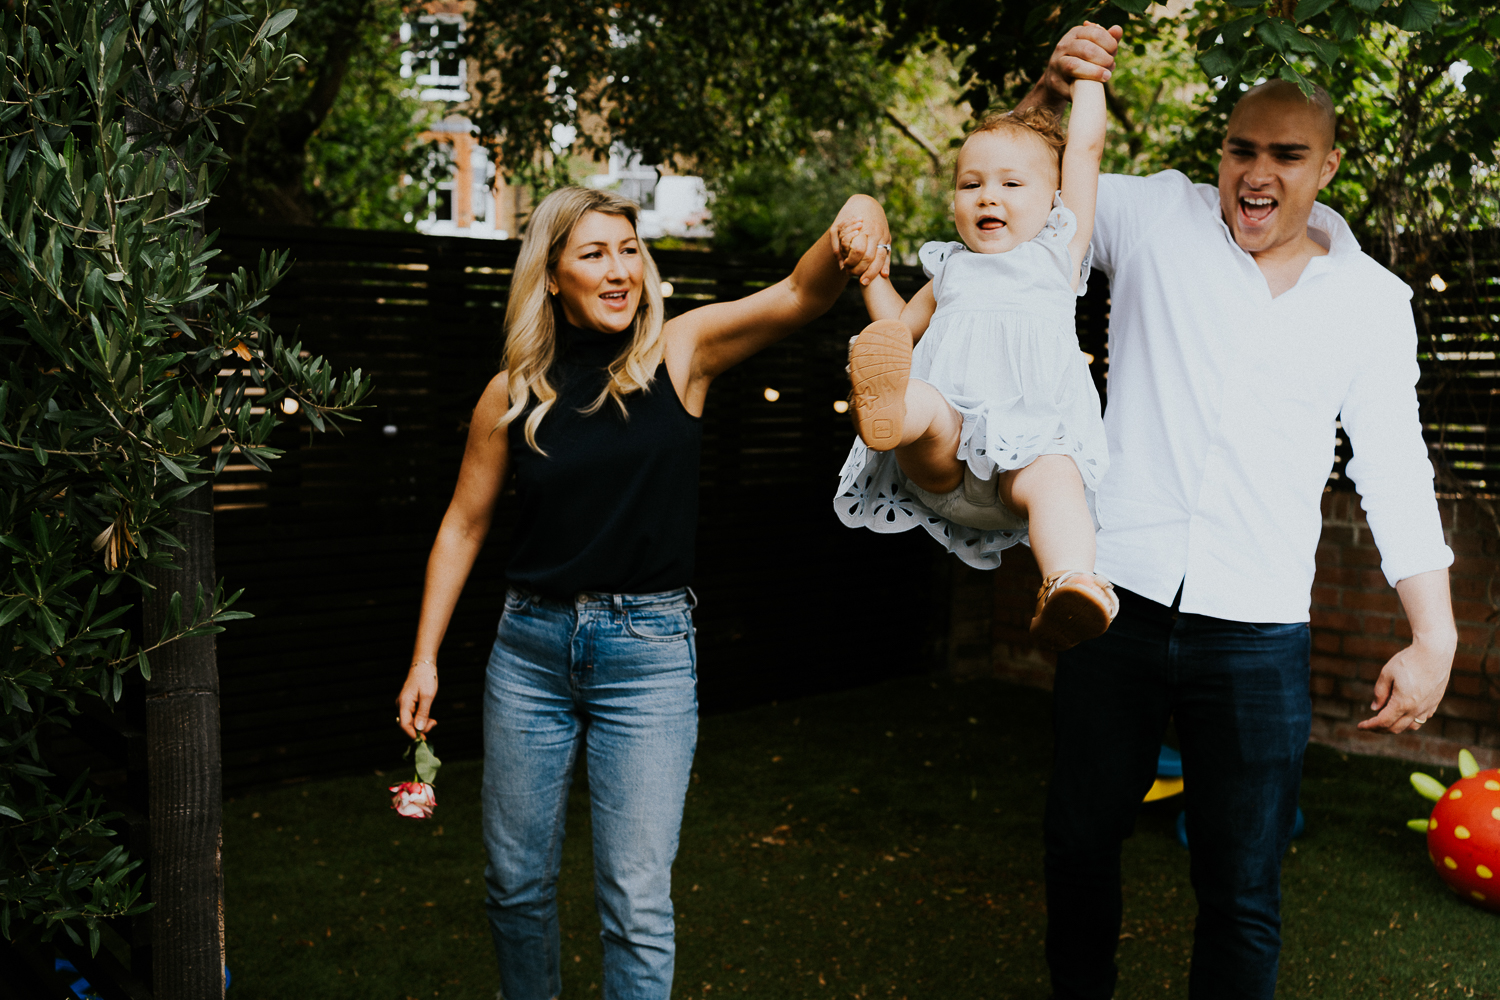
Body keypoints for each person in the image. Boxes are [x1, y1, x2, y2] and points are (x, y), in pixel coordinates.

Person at [1020, 24, 1457, 1000]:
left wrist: (1433, 634)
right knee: (1078, 840)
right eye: (1241, 149)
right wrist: (1050, 95)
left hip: (1259, 629)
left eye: (1286, 154)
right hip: (1113, 594)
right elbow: (1014, 188)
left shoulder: (1375, 303)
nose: (1256, 174)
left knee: (1243, 884)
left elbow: (1394, 465)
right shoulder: (1153, 220)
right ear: (1220, 153)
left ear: (1327, 165)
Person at [392, 185, 891, 1000]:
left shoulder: (679, 353)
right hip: (530, 655)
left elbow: (802, 293)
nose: (620, 270)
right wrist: (424, 659)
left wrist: (855, 214)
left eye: (630, 250)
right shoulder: (512, 390)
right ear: (551, 275)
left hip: (648, 658)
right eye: (594, 254)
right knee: (515, 888)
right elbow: (462, 526)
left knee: (637, 904)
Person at [833, 68, 1118, 650]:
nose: (988, 195)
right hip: (944, 461)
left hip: (1023, 468)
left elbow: (1085, 150)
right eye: (971, 184)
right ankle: (887, 410)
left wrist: (1090, 77)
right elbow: (897, 330)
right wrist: (872, 276)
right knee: (927, 403)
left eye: (1012, 184)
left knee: (1058, 476)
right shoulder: (950, 271)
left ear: (1054, 201)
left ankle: (1069, 581)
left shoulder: (1057, 257)